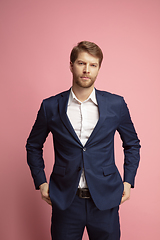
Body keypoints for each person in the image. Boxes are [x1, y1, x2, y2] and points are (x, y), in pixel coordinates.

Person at [26, 41, 140, 240]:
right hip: (65, 200)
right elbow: (33, 146)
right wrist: (41, 182)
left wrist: (128, 181)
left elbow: (132, 144)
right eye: (81, 63)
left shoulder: (116, 104)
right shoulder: (50, 106)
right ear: (71, 65)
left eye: (93, 65)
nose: (86, 70)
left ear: (98, 68)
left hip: (105, 199)